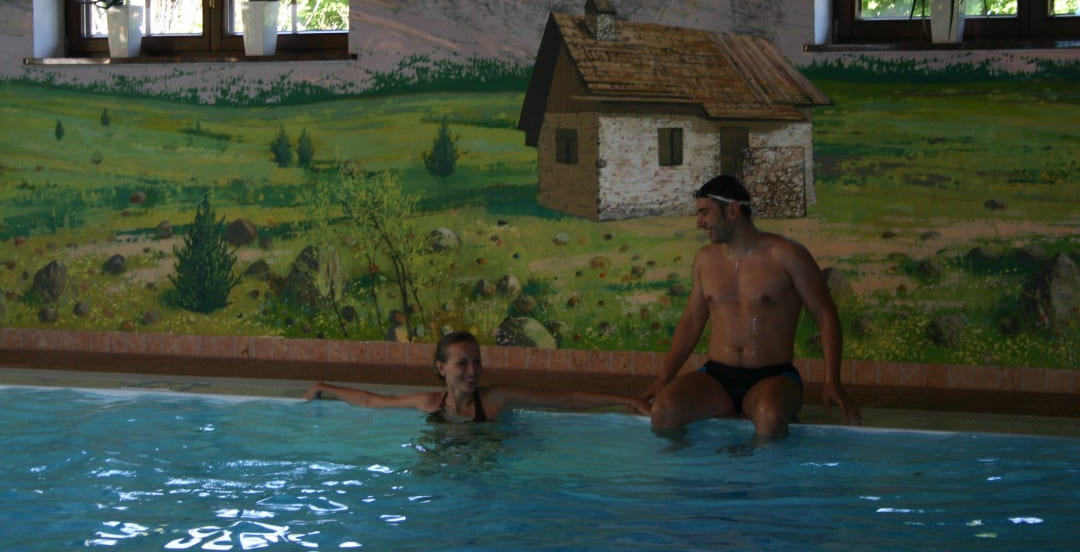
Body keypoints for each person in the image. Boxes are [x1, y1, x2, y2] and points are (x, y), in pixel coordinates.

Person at [643, 175, 860, 438]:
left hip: (773, 376)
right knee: (663, 410)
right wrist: (664, 377)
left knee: (770, 416)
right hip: (717, 376)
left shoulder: (787, 255)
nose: (699, 223)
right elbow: (692, 321)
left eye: (705, 213)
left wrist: (832, 381)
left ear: (732, 211)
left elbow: (825, 314)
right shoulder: (705, 260)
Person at [306, 330, 651, 422]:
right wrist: (324, 387)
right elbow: (371, 402)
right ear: (441, 368)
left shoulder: (495, 399)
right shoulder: (428, 403)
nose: (472, 371)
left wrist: (627, 399)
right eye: (462, 364)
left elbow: (564, 399)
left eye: (476, 362)